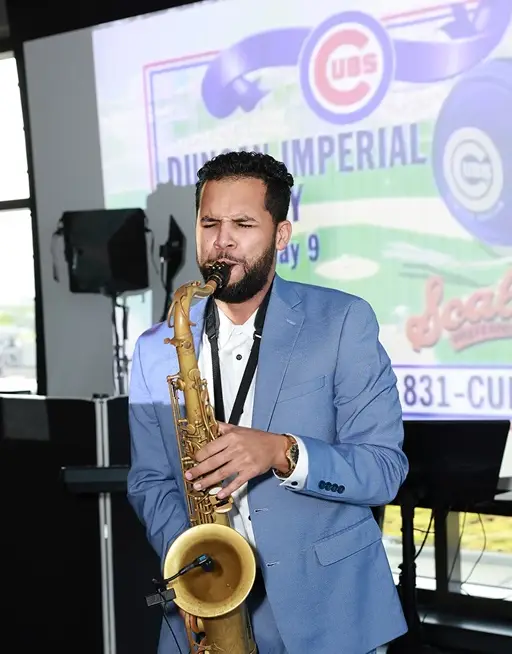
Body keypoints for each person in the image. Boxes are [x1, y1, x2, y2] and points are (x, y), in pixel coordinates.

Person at [127, 151, 409, 654]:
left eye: (243, 223)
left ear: (281, 234)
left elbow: (384, 469)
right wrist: (194, 559)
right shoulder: (157, 345)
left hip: (332, 614)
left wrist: (282, 452)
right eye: (210, 222)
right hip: (208, 606)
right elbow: (149, 479)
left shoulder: (343, 322)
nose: (223, 241)